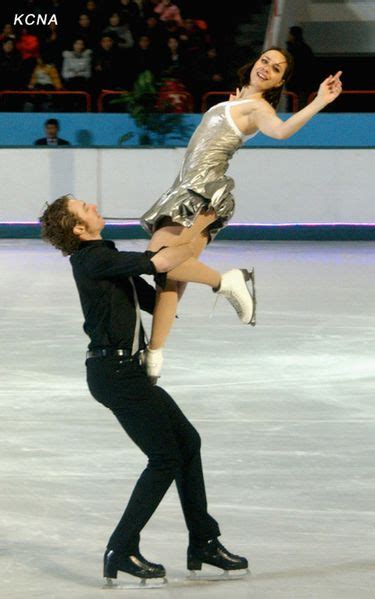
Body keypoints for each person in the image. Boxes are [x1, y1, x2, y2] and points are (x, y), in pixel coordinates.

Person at [39, 194, 250, 584]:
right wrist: (198, 227)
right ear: (78, 229)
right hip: (115, 373)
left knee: (187, 443)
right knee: (165, 457)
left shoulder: (106, 258)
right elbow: (163, 261)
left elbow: (161, 293)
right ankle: (122, 548)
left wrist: (184, 259)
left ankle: (203, 541)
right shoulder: (93, 260)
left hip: (123, 370)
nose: (92, 205)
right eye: (83, 208)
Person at [140, 47, 343, 379]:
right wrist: (233, 103)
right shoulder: (239, 102)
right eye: (265, 61)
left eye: (276, 69)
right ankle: (153, 357)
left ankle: (228, 282)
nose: (267, 68)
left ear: (279, 81)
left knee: (159, 256)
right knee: (170, 277)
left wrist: (320, 100)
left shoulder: (259, 108)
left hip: (201, 191)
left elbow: (280, 131)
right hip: (188, 187)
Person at [286, 26, 316, 108]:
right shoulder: (305, 48)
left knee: (297, 105)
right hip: (300, 83)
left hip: (299, 83)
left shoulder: (296, 49)